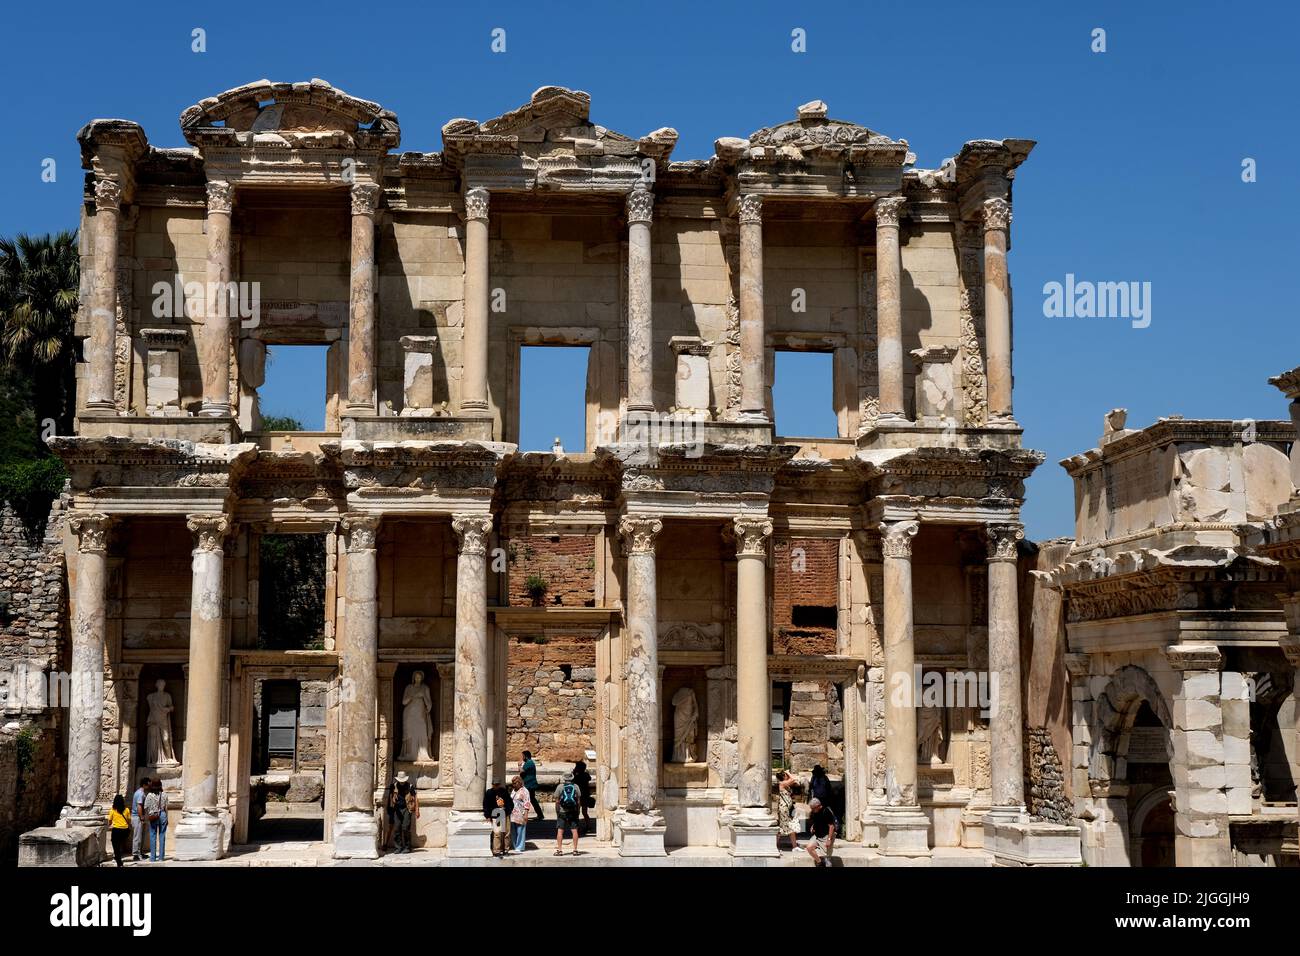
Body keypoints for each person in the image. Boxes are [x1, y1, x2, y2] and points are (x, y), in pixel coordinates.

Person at [554, 771, 582, 856]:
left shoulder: (560, 787)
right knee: (574, 831)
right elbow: (578, 801)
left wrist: (557, 811)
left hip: (562, 812)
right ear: (572, 777)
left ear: (564, 778)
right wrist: (578, 811)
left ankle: (559, 850)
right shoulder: (576, 787)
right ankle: (575, 850)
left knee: (560, 831)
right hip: (573, 812)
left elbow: (557, 801)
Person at [805, 797, 837, 867]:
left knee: (826, 858)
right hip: (817, 835)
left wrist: (829, 839)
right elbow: (817, 820)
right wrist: (813, 826)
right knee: (809, 848)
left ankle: (824, 863)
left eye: (813, 808)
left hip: (826, 835)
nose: (812, 810)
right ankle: (819, 862)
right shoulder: (815, 812)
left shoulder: (826, 811)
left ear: (818, 806)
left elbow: (831, 826)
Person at [144, 779, 167, 862]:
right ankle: (161, 857)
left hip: (153, 815)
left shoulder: (149, 795)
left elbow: (145, 807)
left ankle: (153, 857)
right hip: (163, 815)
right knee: (162, 835)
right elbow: (166, 807)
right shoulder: (164, 794)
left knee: (153, 835)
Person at [776, 770, 799, 851]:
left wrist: (787, 775)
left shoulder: (786, 784)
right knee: (782, 827)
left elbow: (796, 782)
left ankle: (795, 846)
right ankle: (775, 846)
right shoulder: (781, 783)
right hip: (784, 808)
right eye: (786, 775)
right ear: (783, 776)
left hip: (789, 808)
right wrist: (788, 772)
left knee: (791, 826)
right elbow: (793, 779)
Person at [107, 794, 131, 867]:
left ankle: (119, 862)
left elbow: (109, 821)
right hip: (125, 831)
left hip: (116, 830)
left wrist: (110, 824)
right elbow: (129, 820)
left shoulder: (112, 810)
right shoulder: (127, 810)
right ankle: (118, 858)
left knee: (116, 846)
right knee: (119, 845)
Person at [520, 751, 544, 820]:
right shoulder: (529, 763)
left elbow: (522, 772)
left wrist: (519, 765)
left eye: (522, 756)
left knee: (525, 799)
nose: (522, 757)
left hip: (529, 784)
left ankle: (523, 814)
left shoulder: (529, 763)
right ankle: (540, 815)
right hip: (530, 784)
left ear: (525, 756)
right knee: (532, 799)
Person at [131, 775, 150, 861]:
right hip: (137, 817)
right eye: (149, 784)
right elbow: (139, 806)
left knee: (139, 836)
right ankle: (135, 854)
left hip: (137, 817)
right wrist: (141, 817)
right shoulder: (140, 793)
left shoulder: (138, 792)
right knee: (137, 836)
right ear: (145, 785)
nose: (149, 786)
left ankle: (139, 852)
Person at [510, 775, 530, 853]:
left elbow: (527, 803)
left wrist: (526, 814)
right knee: (513, 831)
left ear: (519, 782)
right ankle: (515, 845)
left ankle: (520, 846)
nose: (513, 785)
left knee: (520, 830)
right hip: (513, 813)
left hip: (521, 813)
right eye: (513, 783)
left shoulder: (525, 791)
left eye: (515, 783)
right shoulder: (513, 790)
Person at [572, 760, 593, 833]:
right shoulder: (586, 775)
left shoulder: (577, 776)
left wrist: (574, 772)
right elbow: (589, 778)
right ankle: (589, 826)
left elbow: (573, 781)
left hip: (579, 796)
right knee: (585, 812)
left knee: (576, 812)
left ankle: (576, 827)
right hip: (585, 795)